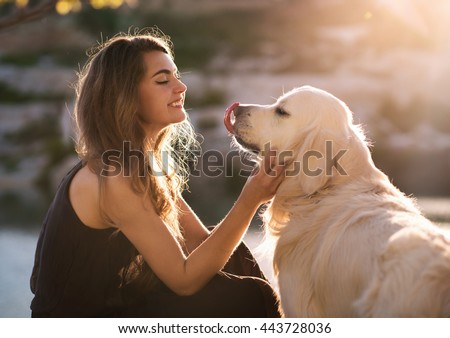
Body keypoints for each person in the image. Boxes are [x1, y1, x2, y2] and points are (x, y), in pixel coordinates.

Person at [30, 29, 285, 318]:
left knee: (234, 254)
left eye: (177, 76)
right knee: (250, 296)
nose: (180, 87)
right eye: (163, 80)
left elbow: (200, 243)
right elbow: (185, 281)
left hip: (122, 308)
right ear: (126, 97)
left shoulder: (143, 165)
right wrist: (251, 199)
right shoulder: (112, 176)